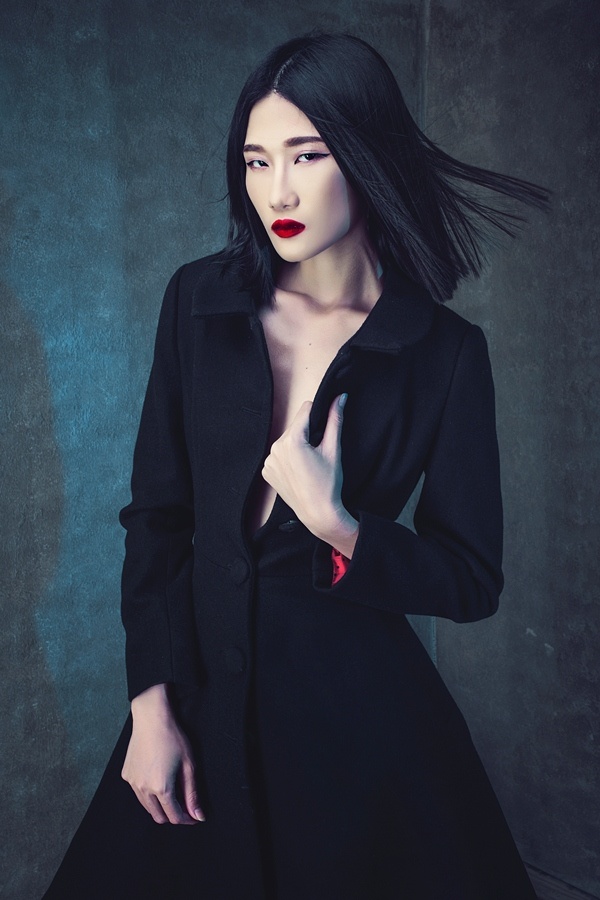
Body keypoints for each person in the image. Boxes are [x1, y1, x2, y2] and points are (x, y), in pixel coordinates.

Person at [44, 32, 548, 900]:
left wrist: (339, 525)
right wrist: (150, 705)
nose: (276, 190)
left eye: (307, 155)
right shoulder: (197, 301)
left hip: (361, 732)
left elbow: (472, 580)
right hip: (196, 708)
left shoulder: (445, 352)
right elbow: (156, 518)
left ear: (367, 156)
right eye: (256, 160)